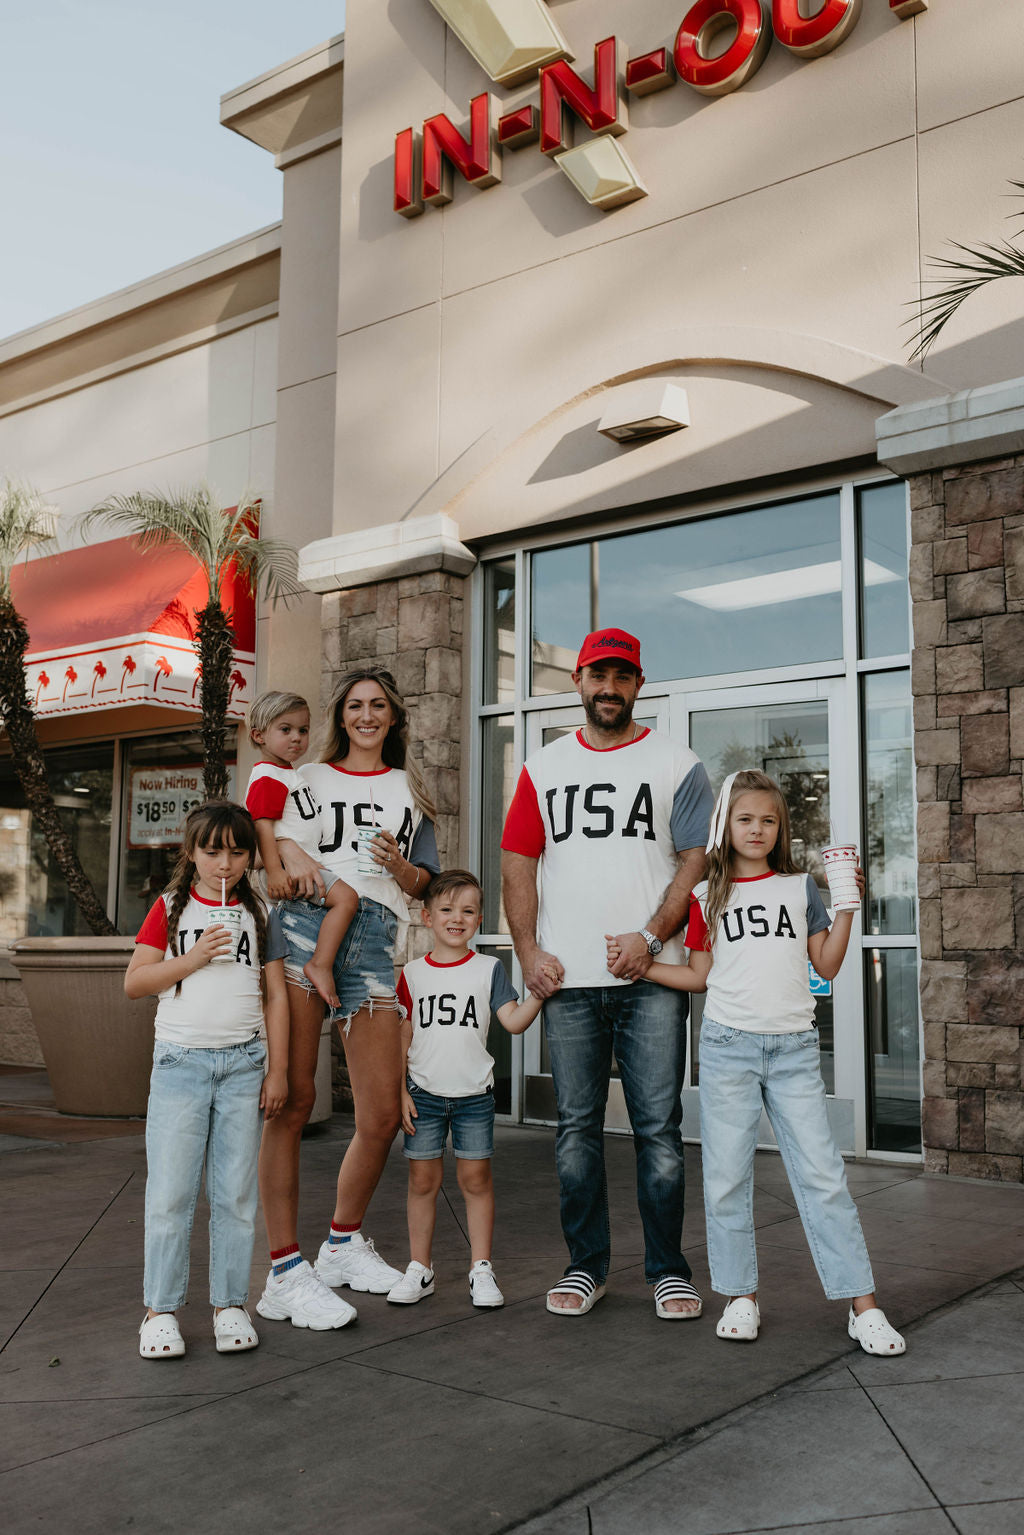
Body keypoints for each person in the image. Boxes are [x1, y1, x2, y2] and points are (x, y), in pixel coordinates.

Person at [611, 768, 905, 1355]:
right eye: (746, 819)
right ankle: (740, 1297)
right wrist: (644, 966)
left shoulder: (801, 889)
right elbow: (698, 975)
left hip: (794, 1048)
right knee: (726, 1177)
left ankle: (862, 1304)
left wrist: (848, 907)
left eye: (769, 821)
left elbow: (826, 965)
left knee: (823, 1175)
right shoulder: (706, 894)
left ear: (781, 828)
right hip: (727, 1048)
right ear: (726, 824)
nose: (758, 829)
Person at [501, 628, 714, 1319]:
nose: (610, 687)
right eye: (599, 673)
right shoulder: (543, 766)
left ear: (639, 684)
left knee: (658, 1129)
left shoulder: (678, 763)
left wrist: (651, 939)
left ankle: (667, 1269)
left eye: (624, 676)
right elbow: (517, 861)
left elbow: (695, 862)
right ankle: (585, 1264)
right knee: (576, 1131)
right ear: (580, 679)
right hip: (567, 981)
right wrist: (528, 950)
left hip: (652, 980)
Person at [256, 666, 441, 1329]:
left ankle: (339, 1243)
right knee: (296, 1100)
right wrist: (290, 867)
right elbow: (269, 843)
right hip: (310, 928)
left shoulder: (410, 790)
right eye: (357, 705)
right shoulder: (307, 776)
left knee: (383, 1112)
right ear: (343, 713)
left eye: (379, 706)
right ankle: (282, 1269)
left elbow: (427, 883)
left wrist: (400, 868)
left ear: (394, 717)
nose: (367, 715)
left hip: (376, 940)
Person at [127, 801, 289, 1360]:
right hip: (181, 1066)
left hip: (244, 1066)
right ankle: (160, 1311)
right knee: (170, 1194)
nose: (225, 863)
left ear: (249, 856)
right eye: (212, 850)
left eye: (237, 851)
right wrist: (191, 958)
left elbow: (276, 997)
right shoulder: (171, 907)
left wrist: (279, 1070)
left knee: (236, 1194)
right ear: (191, 853)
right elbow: (135, 982)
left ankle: (229, 1304)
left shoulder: (259, 911)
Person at [388, 870, 547, 1309]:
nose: (456, 918)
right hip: (423, 1094)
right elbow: (403, 1036)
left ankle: (481, 1267)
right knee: (423, 1180)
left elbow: (512, 1021)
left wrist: (540, 993)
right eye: (446, 909)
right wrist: (399, 1090)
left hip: (475, 1095)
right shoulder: (414, 974)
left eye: (468, 910)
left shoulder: (489, 968)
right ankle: (421, 1268)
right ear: (427, 916)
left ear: (479, 919)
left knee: (475, 1179)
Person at [244, 690, 358, 1009]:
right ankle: (319, 965)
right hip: (286, 872)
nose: (296, 737)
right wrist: (277, 871)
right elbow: (262, 826)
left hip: (301, 867)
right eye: (285, 729)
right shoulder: (268, 775)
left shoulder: (288, 773)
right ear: (259, 735)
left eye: (303, 730)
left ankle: (321, 962)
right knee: (347, 899)